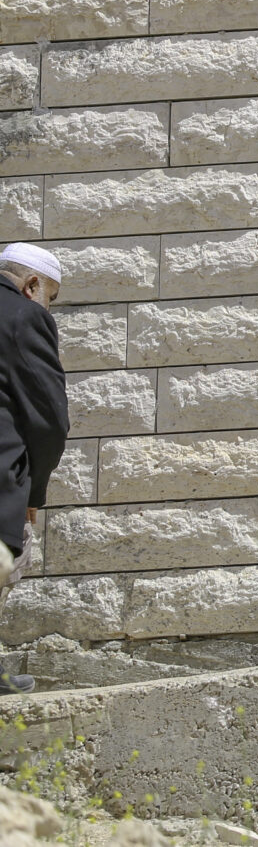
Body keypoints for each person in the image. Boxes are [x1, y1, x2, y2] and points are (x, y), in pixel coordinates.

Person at [0, 243, 67, 695]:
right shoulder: (24, 317)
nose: (48, 307)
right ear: (32, 285)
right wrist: (33, 495)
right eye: (51, 298)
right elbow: (49, 421)